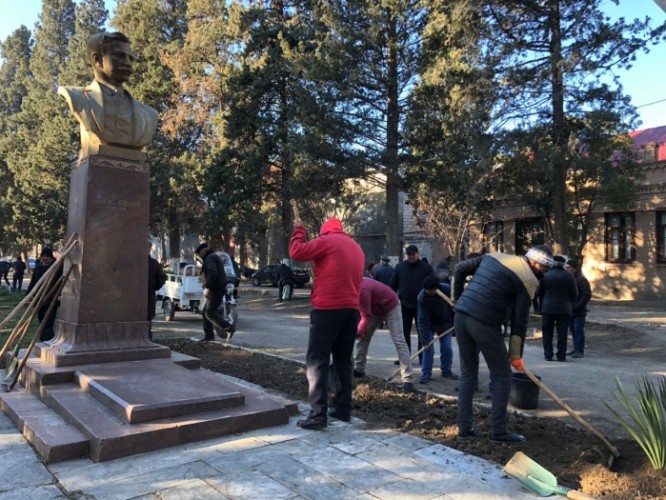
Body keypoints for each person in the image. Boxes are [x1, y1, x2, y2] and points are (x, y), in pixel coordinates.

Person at [453, 244, 554, 443]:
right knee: (502, 377)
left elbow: (459, 269)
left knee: (468, 374)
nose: (545, 272)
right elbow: (520, 321)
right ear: (534, 263)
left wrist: (457, 300)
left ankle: (464, 428)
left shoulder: (493, 256)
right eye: (544, 268)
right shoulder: (528, 279)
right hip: (484, 323)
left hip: (461, 317)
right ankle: (499, 431)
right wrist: (516, 356)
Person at [289, 216, 364, 430]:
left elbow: (297, 252)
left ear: (325, 231)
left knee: (317, 361)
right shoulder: (356, 248)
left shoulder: (327, 242)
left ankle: (318, 415)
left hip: (327, 310)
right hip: (351, 311)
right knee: (343, 361)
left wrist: (299, 230)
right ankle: (343, 410)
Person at [57, 31, 159, 159]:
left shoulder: (149, 114)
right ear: (97, 59)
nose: (128, 63)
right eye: (119, 56)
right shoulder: (77, 97)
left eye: (130, 58)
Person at [353, 277, 414, 392]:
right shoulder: (349, 288)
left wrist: (358, 332)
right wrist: (358, 331)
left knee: (399, 340)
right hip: (374, 309)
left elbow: (365, 316)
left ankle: (408, 380)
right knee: (363, 339)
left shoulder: (362, 288)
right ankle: (359, 369)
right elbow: (358, 312)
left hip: (391, 306)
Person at [389, 245, 434, 362]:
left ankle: (422, 356)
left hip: (422, 305)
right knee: (404, 332)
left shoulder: (426, 268)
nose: (411, 257)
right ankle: (405, 357)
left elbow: (433, 284)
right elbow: (393, 285)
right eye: (409, 254)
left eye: (413, 254)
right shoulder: (399, 267)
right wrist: (392, 300)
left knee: (422, 331)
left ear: (418, 254)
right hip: (404, 305)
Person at [417, 275, 459, 384]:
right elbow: (422, 319)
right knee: (427, 348)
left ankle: (446, 371)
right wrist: (424, 339)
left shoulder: (447, 289)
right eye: (427, 290)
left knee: (447, 347)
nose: (428, 292)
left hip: (445, 323)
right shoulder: (422, 297)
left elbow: (456, 305)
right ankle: (426, 373)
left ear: (436, 287)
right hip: (430, 324)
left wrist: (456, 309)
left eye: (431, 290)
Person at [536, 255, 578, 362]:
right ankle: (561, 355)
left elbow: (538, 293)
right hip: (564, 309)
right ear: (563, 264)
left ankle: (548, 354)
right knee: (562, 333)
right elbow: (575, 294)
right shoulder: (570, 276)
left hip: (548, 308)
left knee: (547, 332)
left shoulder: (545, 276)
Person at [193, 243, 235, 343]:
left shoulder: (210, 258)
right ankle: (209, 336)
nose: (199, 256)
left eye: (199, 253)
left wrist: (207, 287)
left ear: (203, 251)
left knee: (209, 313)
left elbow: (212, 273)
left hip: (215, 289)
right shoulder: (212, 257)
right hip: (215, 289)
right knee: (205, 312)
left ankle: (229, 328)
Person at [26, 249, 63, 342]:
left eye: (47, 256)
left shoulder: (58, 267)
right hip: (39, 298)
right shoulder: (38, 267)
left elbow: (62, 282)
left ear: (51, 257)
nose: (45, 258)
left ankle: (45, 340)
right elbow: (33, 282)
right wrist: (29, 294)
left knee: (48, 320)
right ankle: (48, 338)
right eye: (43, 256)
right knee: (42, 319)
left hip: (52, 298)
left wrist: (61, 295)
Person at [565, 259, 591, 359]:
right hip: (570, 310)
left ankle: (579, 350)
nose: (567, 270)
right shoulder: (570, 279)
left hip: (578, 311)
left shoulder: (581, 280)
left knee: (578, 330)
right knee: (573, 330)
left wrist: (577, 306)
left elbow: (586, 295)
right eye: (566, 267)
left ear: (574, 269)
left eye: (569, 268)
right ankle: (575, 348)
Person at [148, 242, 167, 341]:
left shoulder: (153, 264)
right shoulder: (134, 263)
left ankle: (147, 340)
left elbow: (162, 277)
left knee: (147, 321)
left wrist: (153, 286)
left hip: (148, 296)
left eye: (148, 247)